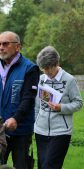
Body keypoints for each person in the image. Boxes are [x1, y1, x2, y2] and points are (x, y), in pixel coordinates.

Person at [34, 46, 83, 169]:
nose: (45, 72)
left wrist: (61, 107)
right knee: (42, 165)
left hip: (61, 132)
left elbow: (78, 103)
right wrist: (35, 123)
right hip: (40, 131)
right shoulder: (41, 79)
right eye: (43, 68)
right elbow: (37, 105)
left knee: (50, 166)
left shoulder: (69, 80)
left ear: (56, 64)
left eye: (48, 68)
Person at [0, 31, 39, 169]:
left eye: (5, 44)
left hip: (20, 130)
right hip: (0, 130)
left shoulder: (30, 68)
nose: (1, 47)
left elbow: (28, 99)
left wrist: (16, 118)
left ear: (18, 47)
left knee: (22, 166)